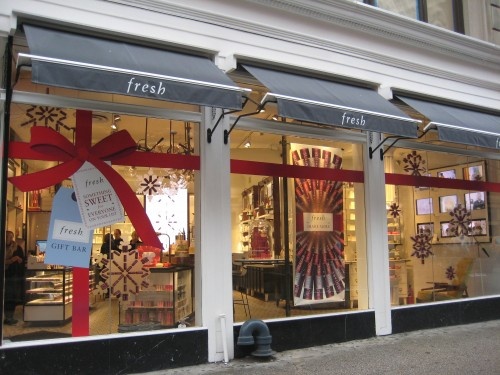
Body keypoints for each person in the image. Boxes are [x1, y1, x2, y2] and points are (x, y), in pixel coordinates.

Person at [4, 230, 25, 325]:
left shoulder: (17, 248)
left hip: (13, 277)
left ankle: (9, 317)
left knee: (10, 297)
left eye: (10, 237)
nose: (9, 238)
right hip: (5, 275)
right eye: (7, 236)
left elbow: (22, 261)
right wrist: (12, 259)